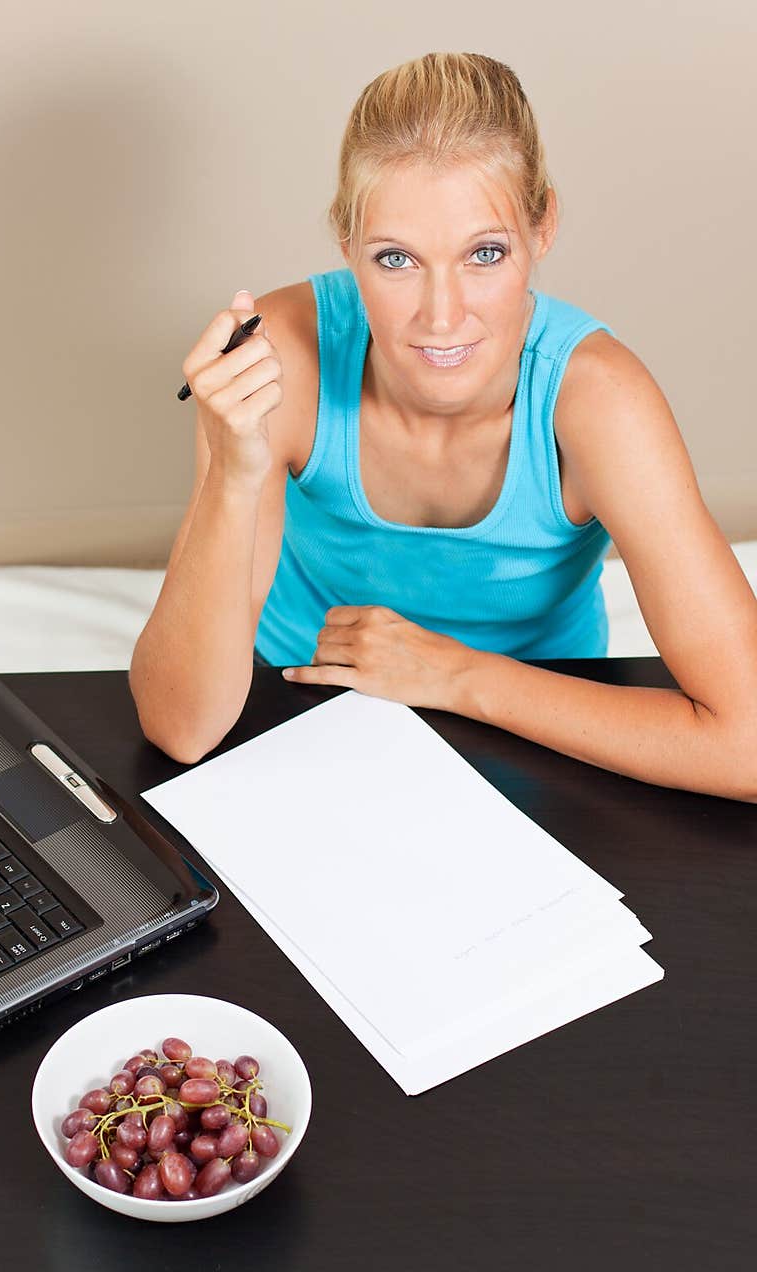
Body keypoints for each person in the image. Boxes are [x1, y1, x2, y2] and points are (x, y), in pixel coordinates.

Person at [130, 51, 757, 801]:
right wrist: (234, 467)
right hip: (297, 704)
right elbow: (183, 728)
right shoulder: (283, 358)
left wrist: (455, 675)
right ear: (345, 243)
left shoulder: (596, 400)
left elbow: (749, 745)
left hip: (546, 723)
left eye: (484, 253)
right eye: (395, 259)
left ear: (543, 225)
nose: (442, 316)